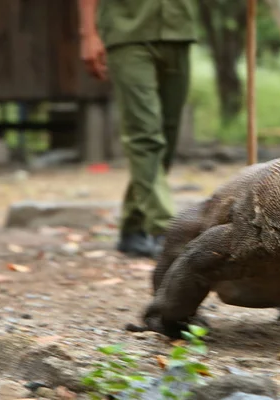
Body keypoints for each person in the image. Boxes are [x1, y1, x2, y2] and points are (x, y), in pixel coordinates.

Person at [77, 0, 199, 258]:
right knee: (145, 135)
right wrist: (89, 33)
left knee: (167, 135)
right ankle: (164, 229)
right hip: (127, 32)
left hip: (179, 30)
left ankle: (133, 228)